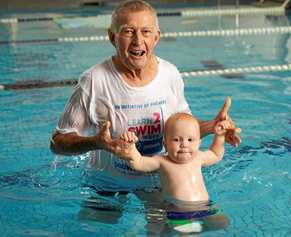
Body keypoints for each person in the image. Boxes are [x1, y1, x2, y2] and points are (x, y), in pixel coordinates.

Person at [50, 0, 241, 194]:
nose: (138, 40)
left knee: (175, 223)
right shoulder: (94, 81)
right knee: (99, 223)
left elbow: (183, 129)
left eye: (146, 32)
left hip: (159, 182)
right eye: (128, 31)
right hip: (107, 185)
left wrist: (214, 126)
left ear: (156, 37)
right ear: (112, 37)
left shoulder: (170, 74)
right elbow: (57, 143)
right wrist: (96, 143)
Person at [119, 107, 232, 233]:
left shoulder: (199, 157)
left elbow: (216, 154)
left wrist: (220, 136)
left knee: (223, 223)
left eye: (190, 140)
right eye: (177, 140)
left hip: (205, 205)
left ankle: (190, 229)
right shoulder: (161, 161)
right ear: (165, 143)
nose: (184, 144)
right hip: (177, 209)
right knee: (187, 234)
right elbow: (139, 163)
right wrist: (130, 147)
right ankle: (183, 229)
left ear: (199, 143)